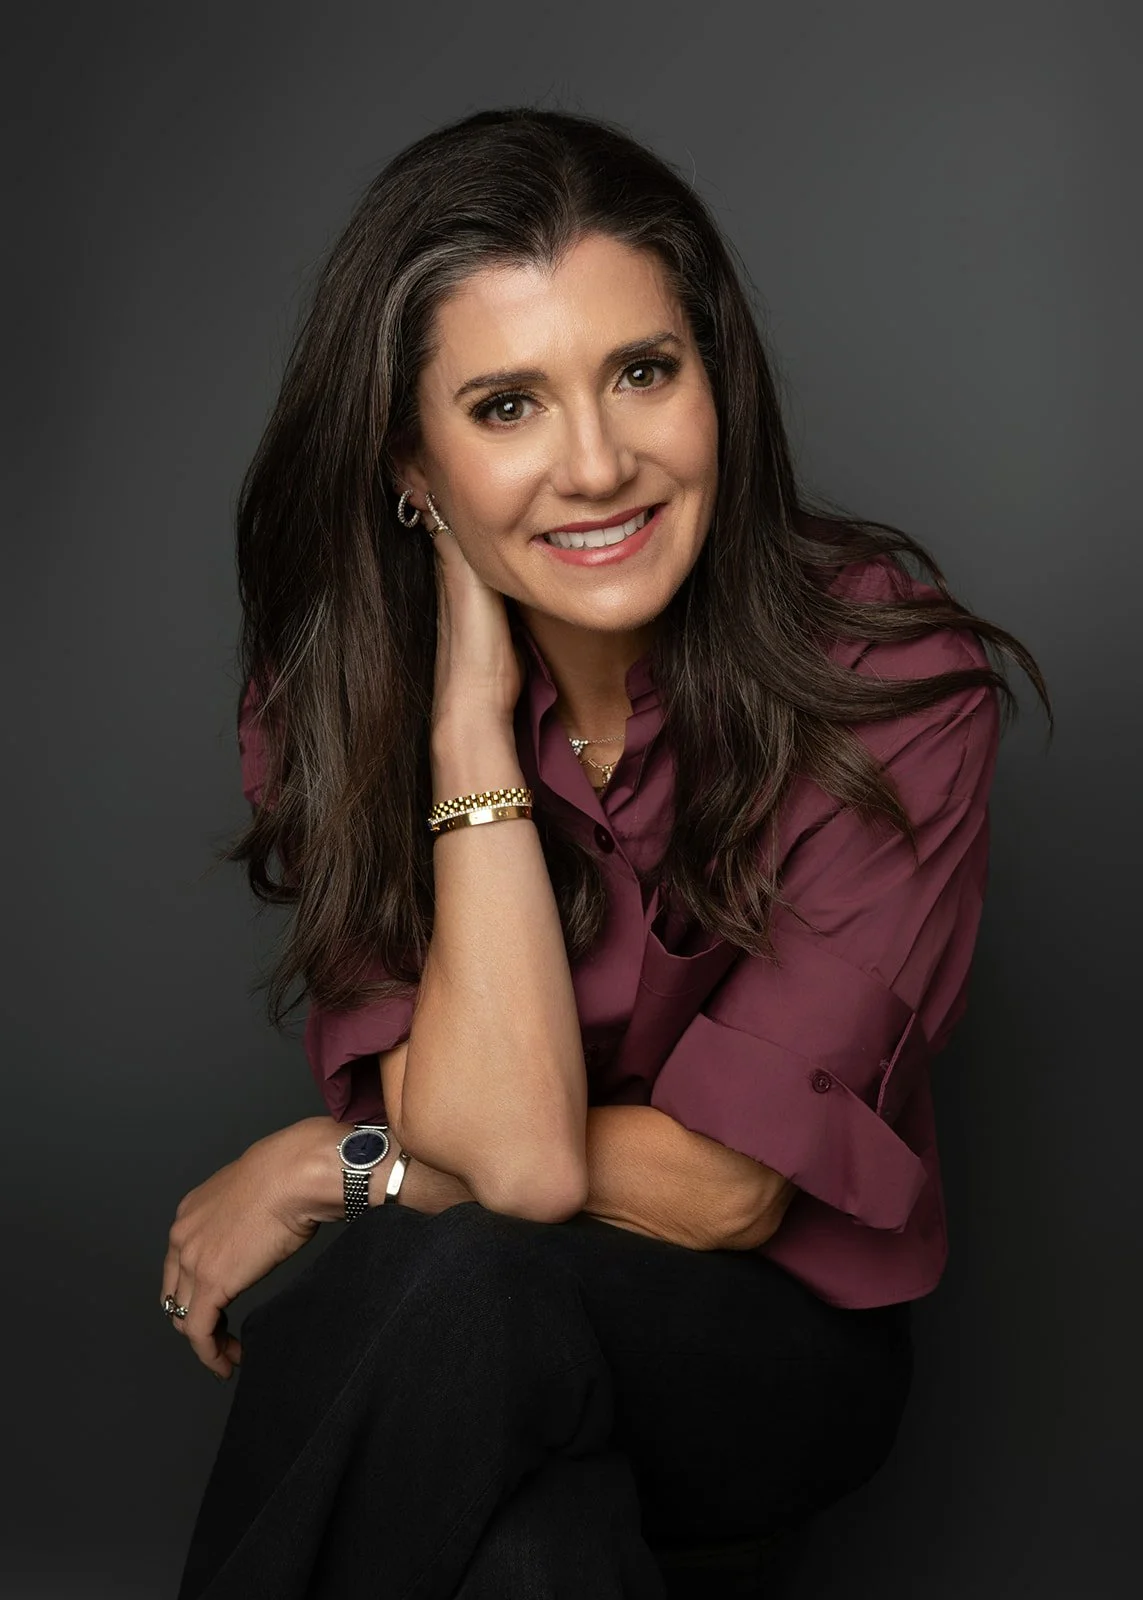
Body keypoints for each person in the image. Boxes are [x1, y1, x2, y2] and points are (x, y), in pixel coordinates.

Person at [161, 107, 1050, 1599]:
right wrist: (463, 729)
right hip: (472, 1336)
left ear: (715, 381)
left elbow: (718, 1196)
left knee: (451, 1275)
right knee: (533, 1557)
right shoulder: (337, 698)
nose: (597, 463)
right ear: (410, 462)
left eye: (642, 373)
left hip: (766, 1360)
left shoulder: (884, 678)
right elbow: (499, 1159)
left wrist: (344, 1165)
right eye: (505, 406)